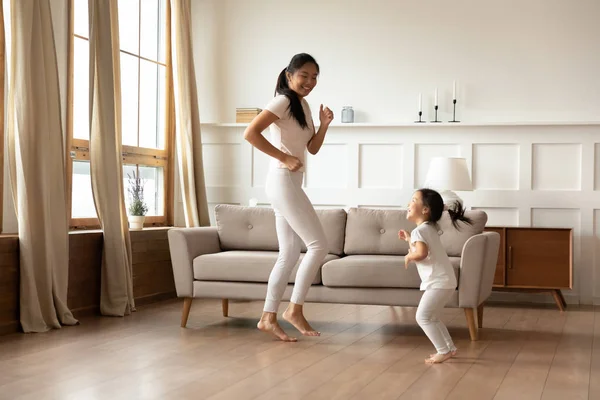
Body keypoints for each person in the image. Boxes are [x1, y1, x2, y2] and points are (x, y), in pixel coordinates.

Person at [243, 53, 334, 342]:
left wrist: (323, 125)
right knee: (319, 245)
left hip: (290, 182)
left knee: (290, 253)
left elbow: (312, 149)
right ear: (289, 75)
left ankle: (267, 317)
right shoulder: (282, 100)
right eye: (304, 75)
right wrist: (284, 157)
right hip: (283, 181)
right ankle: (294, 309)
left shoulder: (302, 105)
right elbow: (250, 133)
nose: (310, 81)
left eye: (315, 76)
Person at [398, 189, 472, 363]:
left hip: (438, 282)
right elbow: (424, 248)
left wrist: (409, 255)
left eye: (414, 200)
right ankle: (449, 348)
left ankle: (443, 350)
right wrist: (409, 240)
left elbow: (421, 254)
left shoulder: (420, 231)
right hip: (445, 280)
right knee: (433, 317)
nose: (409, 203)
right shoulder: (428, 228)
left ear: (425, 210)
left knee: (422, 317)